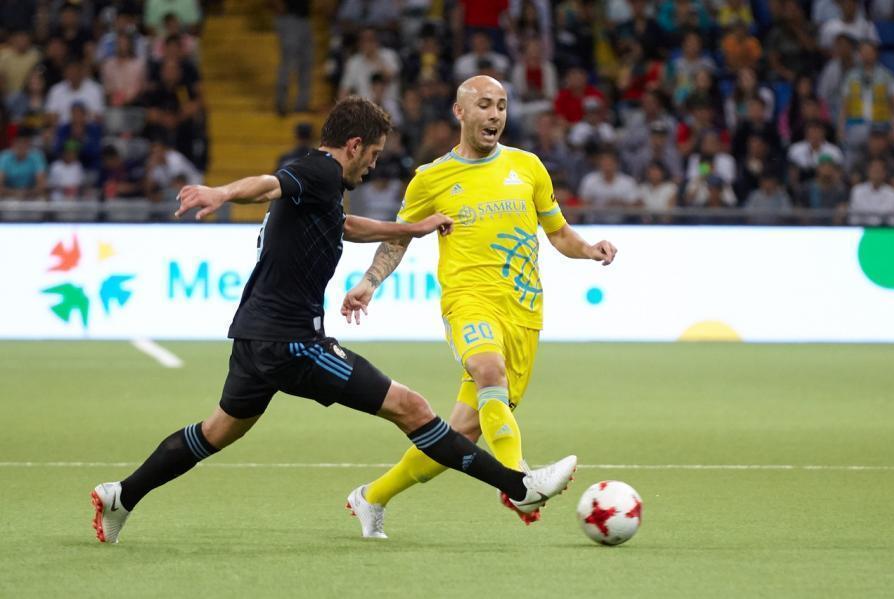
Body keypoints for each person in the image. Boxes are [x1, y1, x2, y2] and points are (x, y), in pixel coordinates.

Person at [90, 97, 577, 544]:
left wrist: (411, 227)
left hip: (254, 336)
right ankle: (519, 487)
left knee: (216, 431)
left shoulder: (321, 188)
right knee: (410, 407)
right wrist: (220, 192)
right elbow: (268, 184)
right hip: (293, 343)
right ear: (354, 145)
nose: (374, 165)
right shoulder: (318, 170)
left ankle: (122, 496)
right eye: (374, 154)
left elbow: (345, 225)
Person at [340, 78, 615, 538]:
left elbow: (558, 232)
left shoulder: (528, 167)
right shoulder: (432, 177)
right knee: (488, 369)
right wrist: (369, 282)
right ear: (460, 112)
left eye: (502, 106)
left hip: (523, 313)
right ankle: (520, 482)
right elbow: (398, 238)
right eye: (484, 105)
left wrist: (588, 249)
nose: (495, 114)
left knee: (458, 436)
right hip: (468, 301)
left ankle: (371, 497)